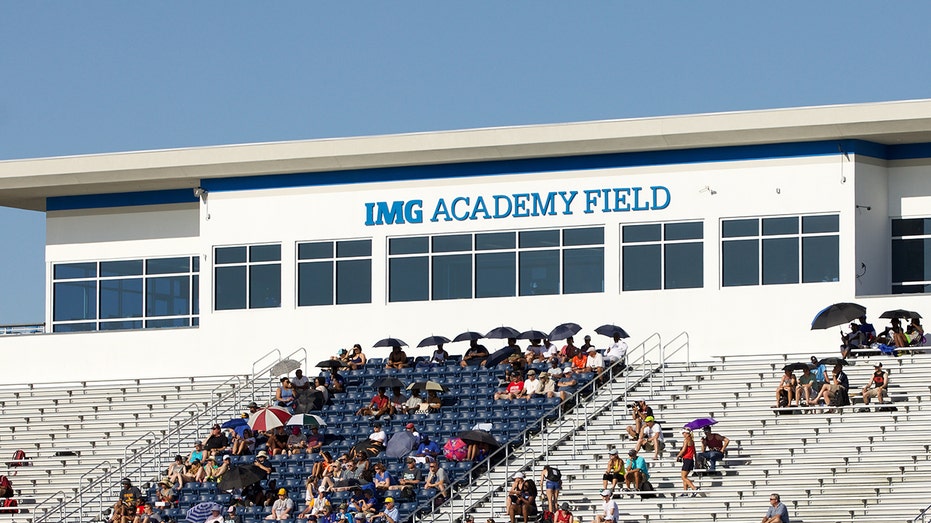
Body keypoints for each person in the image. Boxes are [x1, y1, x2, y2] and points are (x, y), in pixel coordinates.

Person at [676, 428, 699, 496]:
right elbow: (694, 452)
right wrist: (696, 461)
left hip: (687, 460)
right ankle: (685, 492)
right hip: (690, 460)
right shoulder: (692, 441)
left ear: (687, 433)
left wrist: (678, 456)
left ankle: (694, 488)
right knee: (685, 476)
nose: (683, 434)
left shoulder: (686, 440)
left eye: (684, 433)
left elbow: (683, 450)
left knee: (683, 477)